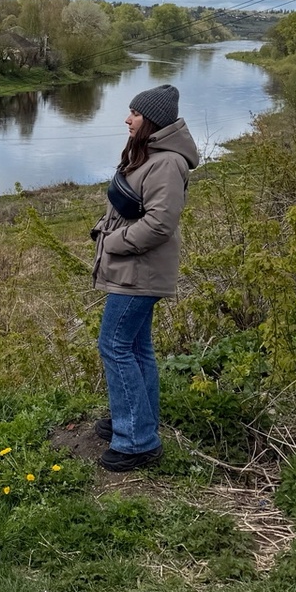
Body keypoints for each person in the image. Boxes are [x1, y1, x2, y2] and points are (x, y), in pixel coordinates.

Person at [90, 84, 199, 471]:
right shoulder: (150, 155)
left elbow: (159, 224)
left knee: (114, 345)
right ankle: (135, 422)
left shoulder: (167, 163)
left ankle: (137, 440)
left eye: (134, 113)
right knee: (136, 348)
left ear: (150, 120)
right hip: (134, 270)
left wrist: (114, 242)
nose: (127, 118)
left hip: (140, 272)